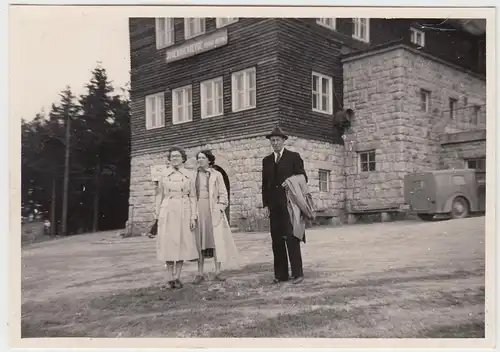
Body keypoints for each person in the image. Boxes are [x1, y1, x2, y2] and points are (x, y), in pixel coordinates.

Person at [261, 125, 308, 285]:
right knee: (276, 240)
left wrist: (290, 182)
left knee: (292, 237)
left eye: (277, 140)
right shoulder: (266, 161)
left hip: (290, 205)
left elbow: (303, 177)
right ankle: (280, 275)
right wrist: (266, 204)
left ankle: (297, 274)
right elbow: (264, 185)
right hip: (274, 207)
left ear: (283, 141)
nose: (275, 143)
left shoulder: (293, 157)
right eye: (272, 140)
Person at [192, 150, 239, 284]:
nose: (200, 160)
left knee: (216, 240)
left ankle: (217, 271)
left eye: (203, 157)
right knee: (199, 240)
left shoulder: (216, 175)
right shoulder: (193, 175)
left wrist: (220, 207)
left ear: (209, 160)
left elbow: (223, 193)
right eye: (198, 158)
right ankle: (199, 273)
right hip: (199, 208)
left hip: (213, 209)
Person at [155, 146, 199, 290]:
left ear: (183, 158)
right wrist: (157, 214)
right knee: (168, 242)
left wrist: (193, 216)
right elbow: (159, 195)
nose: (174, 158)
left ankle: (177, 277)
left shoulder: (189, 175)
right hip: (167, 209)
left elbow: (193, 196)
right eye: (172, 156)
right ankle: (169, 278)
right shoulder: (164, 174)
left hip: (183, 208)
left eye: (177, 156)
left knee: (181, 241)